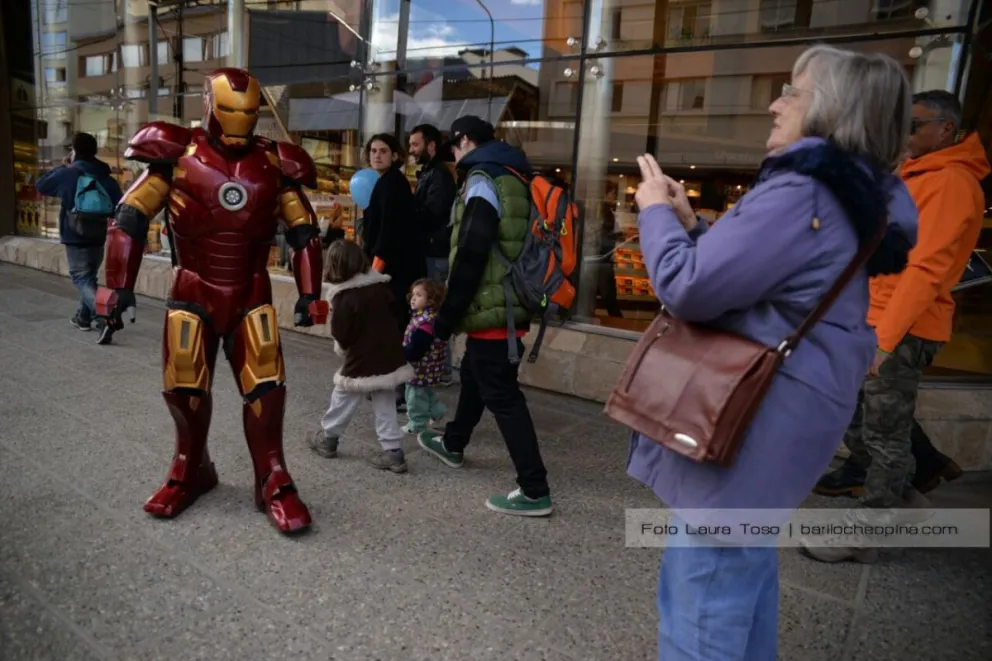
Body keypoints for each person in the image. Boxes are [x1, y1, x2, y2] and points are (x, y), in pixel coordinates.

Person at [625, 45, 916, 660]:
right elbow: (780, 285)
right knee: (741, 587)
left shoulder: (803, 191)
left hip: (747, 420)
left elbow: (689, 288)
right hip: (784, 417)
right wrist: (694, 225)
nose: (774, 102)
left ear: (830, 110)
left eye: (791, 90)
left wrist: (654, 214)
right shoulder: (846, 196)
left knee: (701, 611)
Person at [94, 68, 326, 535]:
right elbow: (130, 217)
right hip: (193, 288)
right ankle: (191, 466)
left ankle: (272, 477)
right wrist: (117, 285)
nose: (240, 121)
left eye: (248, 112)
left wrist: (311, 293)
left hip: (250, 291)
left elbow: (304, 232)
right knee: (183, 386)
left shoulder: (276, 162)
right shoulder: (176, 152)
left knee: (266, 386)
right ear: (209, 105)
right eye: (230, 110)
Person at [810, 89, 989, 558]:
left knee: (883, 434)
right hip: (871, 321)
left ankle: (871, 531)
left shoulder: (950, 181)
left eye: (914, 125)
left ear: (946, 129)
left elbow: (926, 269)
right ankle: (900, 500)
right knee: (848, 416)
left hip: (903, 329)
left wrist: (885, 342)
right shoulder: (916, 175)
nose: (904, 134)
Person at [413, 115, 553, 517]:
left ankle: (534, 489)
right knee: (476, 373)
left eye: (454, 147)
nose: (453, 156)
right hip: (505, 303)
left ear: (466, 141)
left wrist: (443, 321)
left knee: (503, 395)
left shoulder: (483, 180)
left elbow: (472, 253)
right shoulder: (513, 175)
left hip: (495, 308)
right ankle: (454, 443)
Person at [308, 239, 414, 473]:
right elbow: (395, 315)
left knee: (343, 396)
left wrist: (343, 348)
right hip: (388, 353)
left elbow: (341, 333)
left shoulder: (344, 296)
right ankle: (393, 451)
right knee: (385, 401)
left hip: (361, 357)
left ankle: (329, 439)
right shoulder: (380, 287)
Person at [360, 133, 427, 411]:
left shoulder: (392, 185)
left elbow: (388, 234)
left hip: (395, 272)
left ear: (395, 155)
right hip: (393, 270)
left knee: (394, 328)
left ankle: (396, 389)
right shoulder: (387, 182)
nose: (377, 155)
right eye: (373, 151)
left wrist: (374, 273)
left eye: (383, 151)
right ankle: (390, 385)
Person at [35, 132, 123, 334]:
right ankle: (82, 318)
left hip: (75, 235)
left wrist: (64, 166)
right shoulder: (105, 175)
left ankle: (105, 317)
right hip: (99, 235)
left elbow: (41, 185)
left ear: (75, 151)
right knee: (89, 277)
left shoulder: (70, 173)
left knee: (81, 279)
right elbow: (119, 204)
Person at [409, 123, 458, 385]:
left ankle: (443, 370)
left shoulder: (438, 176)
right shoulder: (430, 173)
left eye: (416, 144)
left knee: (435, 309)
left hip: (436, 253)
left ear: (431, 146)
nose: (411, 150)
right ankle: (439, 368)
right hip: (431, 250)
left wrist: (408, 209)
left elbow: (432, 215)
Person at [401, 278, 449, 434]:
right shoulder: (424, 318)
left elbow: (418, 348)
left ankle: (416, 425)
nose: (413, 298)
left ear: (430, 301)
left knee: (414, 398)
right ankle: (437, 411)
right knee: (425, 392)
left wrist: (405, 355)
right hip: (427, 369)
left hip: (420, 368)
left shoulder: (425, 322)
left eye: (419, 295)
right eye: (413, 294)